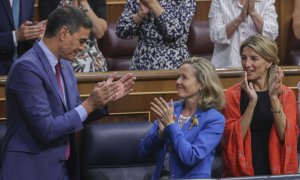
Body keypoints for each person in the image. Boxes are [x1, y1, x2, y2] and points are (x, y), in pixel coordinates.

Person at [0, 6, 135, 180]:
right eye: (81, 40)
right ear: (63, 33)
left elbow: (73, 116)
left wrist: (100, 101)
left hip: (63, 169)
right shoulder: (26, 68)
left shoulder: (65, 66)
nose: (83, 48)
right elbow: (47, 129)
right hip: (30, 170)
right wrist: (89, 104)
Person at [222, 35, 298, 177]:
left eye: (254, 59)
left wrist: (274, 97)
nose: (247, 64)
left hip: (277, 171)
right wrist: (252, 103)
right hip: (242, 171)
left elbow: (286, 136)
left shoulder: (285, 94)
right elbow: (232, 137)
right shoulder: (233, 95)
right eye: (244, 58)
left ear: (268, 62)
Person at [140, 57, 226, 179]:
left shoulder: (214, 119)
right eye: (178, 76)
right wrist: (160, 134)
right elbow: (144, 152)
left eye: (184, 78)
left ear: (202, 84)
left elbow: (190, 157)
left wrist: (171, 125)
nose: (178, 82)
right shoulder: (170, 108)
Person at [115, 0, 196, 70]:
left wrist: (153, 5)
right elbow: (121, 31)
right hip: (142, 62)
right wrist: (140, 14)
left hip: (174, 62)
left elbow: (175, 33)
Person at [39, 0, 108, 72]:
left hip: (91, 52)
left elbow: (99, 32)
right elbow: (48, 31)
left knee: (98, 66)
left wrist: (84, 4)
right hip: (64, 51)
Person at [208, 0, 278, 68]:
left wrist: (253, 13)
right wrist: (240, 18)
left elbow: (272, 35)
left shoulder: (266, 1)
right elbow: (215, 35)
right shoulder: (219, 1)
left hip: (258, 69)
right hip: (225, 67)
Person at [0, 0, 46, 75]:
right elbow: (19, 34)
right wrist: (15, 36)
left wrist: (36, 31)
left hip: (24, 70)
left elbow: (25, 29)